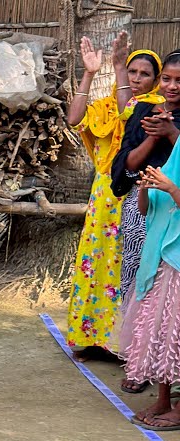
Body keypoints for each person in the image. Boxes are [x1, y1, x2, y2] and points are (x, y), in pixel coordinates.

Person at [65, 35, 162, 360]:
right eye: (131, 71)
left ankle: (123, 345)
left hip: (137, 195)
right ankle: (92, 338)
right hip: (101, 198)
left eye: (143, 73)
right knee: (96, 265)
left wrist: (118, 67)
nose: (136, 78)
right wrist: (90, 73)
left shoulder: (154, 106)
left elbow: (128, 112)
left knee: (128, 265)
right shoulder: (106, 105)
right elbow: (74, 119)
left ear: (156, 79)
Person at [110, 50, 180, 392]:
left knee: (170, 300)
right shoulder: (141, 112)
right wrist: (153, 133)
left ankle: (166, 373)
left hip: (176, 216)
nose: (171, 86)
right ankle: (138, 365)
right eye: (167, 79)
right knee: (138, 285)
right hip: (143, 207)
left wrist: (171, 132)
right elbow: (122, 170)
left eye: (178, 81)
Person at [125, 154, 180, 429]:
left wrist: (171, 188)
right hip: (162, 261)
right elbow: (147, 210)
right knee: (161, 334)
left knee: (177, 337)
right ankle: (162, 399)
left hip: (177, 262)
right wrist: (145, 188)